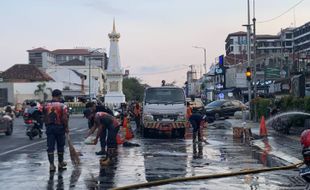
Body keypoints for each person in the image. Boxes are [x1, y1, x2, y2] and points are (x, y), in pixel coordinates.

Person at [43, 89, 69, 172]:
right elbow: (64, 118)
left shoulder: (46, 105)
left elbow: (44, 117)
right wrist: (66, 127)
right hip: (59, 128)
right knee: (60, 146)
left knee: (50, 146)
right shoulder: (62, 106)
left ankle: (51, 165)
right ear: (59, 96)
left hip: (49, 128)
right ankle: (60, 163)